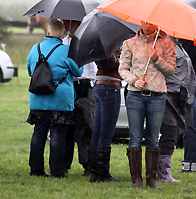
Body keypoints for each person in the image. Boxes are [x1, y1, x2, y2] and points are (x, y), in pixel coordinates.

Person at [119, 21, 176, 189]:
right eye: (144, 21)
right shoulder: (129, 43)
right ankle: (136, 179)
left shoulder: (167, 44)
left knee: (153, 137)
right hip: (135, 96)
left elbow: (171, 70)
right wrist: (134, 80)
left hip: (157, 96)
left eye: (151, 22)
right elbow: (123, 69)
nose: (147, 25)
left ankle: (152, 179)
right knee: (135, 137)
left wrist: (157, 59)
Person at [27, 19, 83, 178]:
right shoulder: (67, 50)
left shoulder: (35, 48)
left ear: (48, 32)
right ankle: (57, 171)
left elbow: (31, 71)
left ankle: (36, 169)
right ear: (62, 33)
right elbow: (78, 72)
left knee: (38, 133)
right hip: (60, 100)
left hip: (38, 98)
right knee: (58, 134)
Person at [157, 38, 196, 182]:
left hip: (176, 97)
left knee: (171, 134)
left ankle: (162, 171)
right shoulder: (164, 45)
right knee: (169, 132)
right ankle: (161, 173)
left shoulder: (179, 46)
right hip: (165, 96)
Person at [63, 19, 97, 177]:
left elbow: (93, 68)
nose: (65, 25)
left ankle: (88, 165)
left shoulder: (86, 42)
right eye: (64, 22)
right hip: (70, 86)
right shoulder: (63, 42)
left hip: (84, 87)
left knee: (85, 127)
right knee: (68, 128)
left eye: (68, 22)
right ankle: (64, 165)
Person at [89, 49, 123, 183]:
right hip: (110, 86)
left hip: (99, 84)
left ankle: (94, 172)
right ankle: (102, 173)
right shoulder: (109, 45)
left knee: (98, 132)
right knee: (106, 133)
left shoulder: (98, 43)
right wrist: (124, 59)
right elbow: (112, 64)